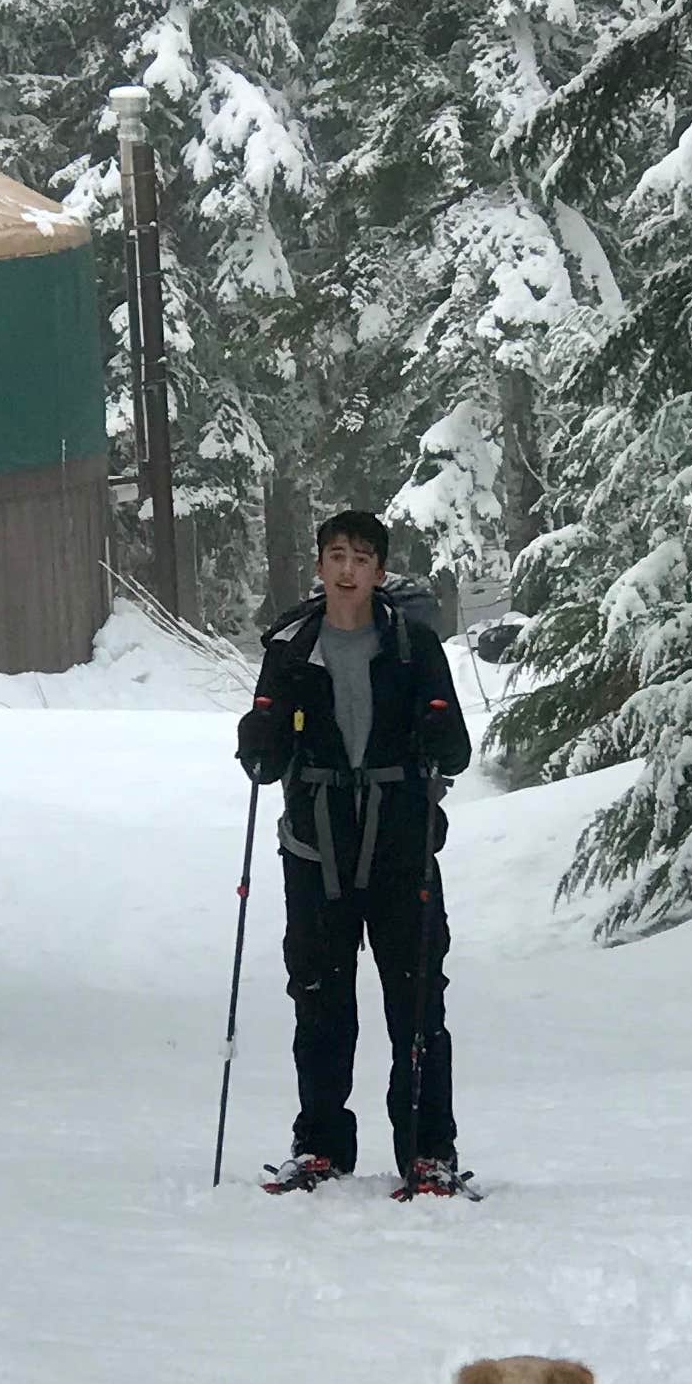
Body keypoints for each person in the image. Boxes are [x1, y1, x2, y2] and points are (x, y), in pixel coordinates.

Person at [235, 511, 473, 1193]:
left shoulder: (413, 645)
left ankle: (428, 1154)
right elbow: (266, 758)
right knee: (319, 1002)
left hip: (401, 848)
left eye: (361, 558)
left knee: (418, 1004)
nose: (347, 570)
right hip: (317, 849)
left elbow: (456, 749)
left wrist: (435, 736)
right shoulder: (290, 647)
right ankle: (320, 1148)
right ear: (319, 566)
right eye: (336, 555)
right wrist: (258, 739)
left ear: (379, 571)